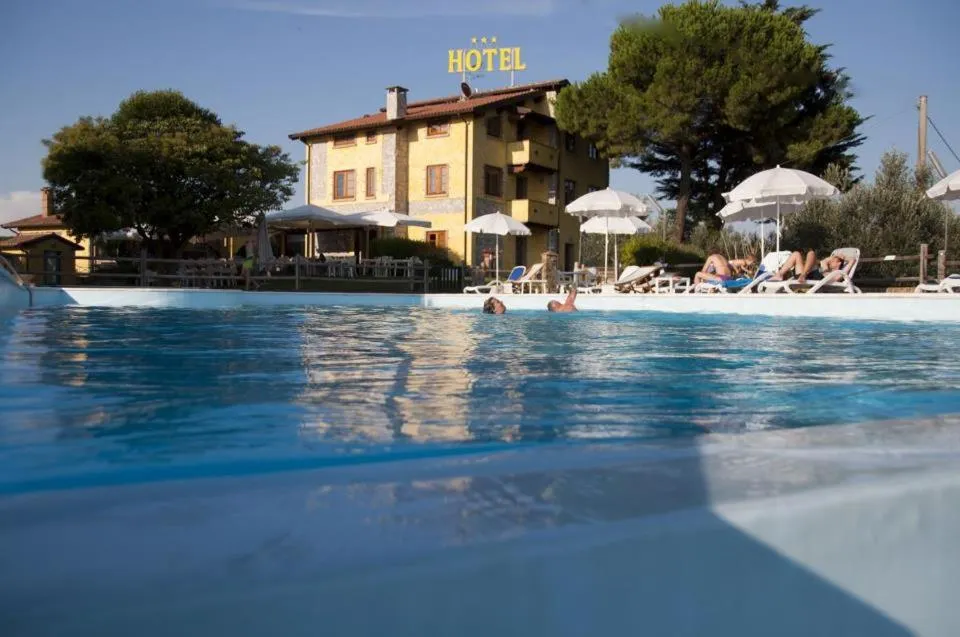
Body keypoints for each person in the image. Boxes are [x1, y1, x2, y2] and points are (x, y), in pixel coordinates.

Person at [774, 250, 846, 284]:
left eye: (834, 259)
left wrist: (843, 258)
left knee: (811, 253)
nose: (831, 259)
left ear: (839, 263)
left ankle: (804, 274)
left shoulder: (836, 273)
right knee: (796, 254)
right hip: (804, 277)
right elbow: (822, 263)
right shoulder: (824, 265)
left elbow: (853, 260)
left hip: (811, 282)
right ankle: (779, 275)